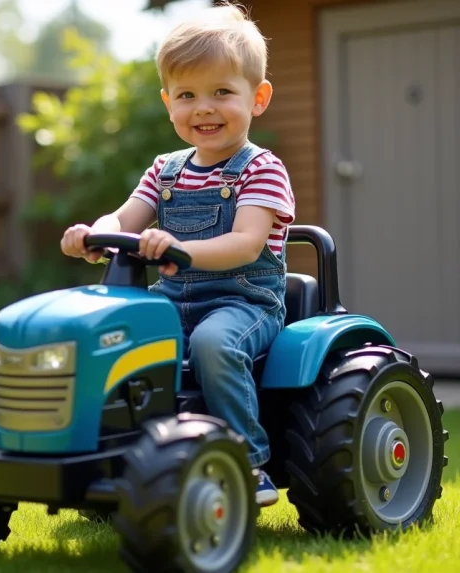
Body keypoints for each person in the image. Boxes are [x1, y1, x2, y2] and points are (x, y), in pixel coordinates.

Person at [60, 1, 295, 507]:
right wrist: (93, 233)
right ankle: (110, 452)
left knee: (213, 344)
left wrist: (178, 247)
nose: (203, 108)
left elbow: (246, 243)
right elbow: (124, 218)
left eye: (221, 92)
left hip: (242, 303)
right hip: (171, 302)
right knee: (110, 335)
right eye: (187, 95)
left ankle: (247, 460)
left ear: (257, 98)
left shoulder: (262, 170)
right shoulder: (165, 170)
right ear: (168, 103)